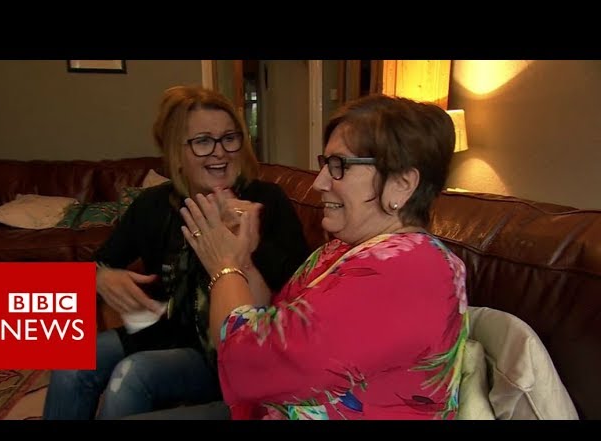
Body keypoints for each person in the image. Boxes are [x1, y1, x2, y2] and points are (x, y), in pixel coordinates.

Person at [175, 93, 470, 420]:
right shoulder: (341, 249)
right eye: (325, 163)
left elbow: (248, 361)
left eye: (339, 165)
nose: (319, 182)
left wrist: (223, 265)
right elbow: (270, 322)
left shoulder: (409, 270)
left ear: (402, 184)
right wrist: (242, 261)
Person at [42, 85, 310, 420]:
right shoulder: (152, 206)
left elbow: (300, 289)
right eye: (203, 141)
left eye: (229, 138)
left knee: (131, 375)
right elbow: (98, 263)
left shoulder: (267, 201)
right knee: (68, 361)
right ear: (176, 154)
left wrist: (245, 239)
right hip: (163, 329)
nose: (220, 152)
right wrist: (100, 277)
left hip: (225, 350)